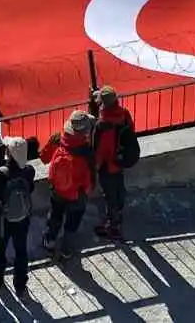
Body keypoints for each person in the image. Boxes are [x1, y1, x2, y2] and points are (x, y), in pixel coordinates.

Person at [40, 110, 95, 260]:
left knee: (55, 217)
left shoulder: (57, 139)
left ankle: (49, 242)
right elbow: (88, 179)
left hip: (58, 190)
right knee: (72, 223)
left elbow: (44, 157)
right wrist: (87, 191)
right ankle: (66, 249)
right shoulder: (87, 152)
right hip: (77, 195)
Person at [0, 136, 35, 293]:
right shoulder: (29, 171)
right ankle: (20, 284)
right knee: (21, 250)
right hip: (22, 218)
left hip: (2, 219)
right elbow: (31, 189)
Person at [91, 86, 139, 241]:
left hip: (108, 165)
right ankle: (117, 215)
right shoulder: (123, 114)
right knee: (119, 190)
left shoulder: (103, 124)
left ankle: (113, 226)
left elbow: (101, 151)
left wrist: (95, 167)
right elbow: (131, 130)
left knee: (109, 195)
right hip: (121, 161)